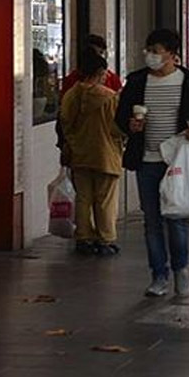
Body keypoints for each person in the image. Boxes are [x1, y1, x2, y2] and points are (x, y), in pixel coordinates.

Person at [115, 28, 189, 298]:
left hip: (177, 160)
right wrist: (130, 125)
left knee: (176, 218)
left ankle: (180, 269)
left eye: (156, 51)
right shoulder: (136, 82)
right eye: (149, 50)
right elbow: (120, 117)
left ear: (171, 54)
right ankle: (158, 274)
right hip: (146, 159)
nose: (151, 56)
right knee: (152, 220)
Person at [60, 46, 125, 256]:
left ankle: (83, 237)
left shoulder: (70, 95)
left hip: (79, 154)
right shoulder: (109, 97)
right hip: (105, 154)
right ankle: (105, 239)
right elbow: (117, 128)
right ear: (100, 73)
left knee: (83, 198)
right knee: (105, 199)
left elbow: (65, 124)